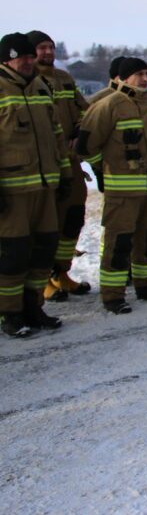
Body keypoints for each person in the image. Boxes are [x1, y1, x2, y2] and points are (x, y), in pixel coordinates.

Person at [77, 57, 147, 313]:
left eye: (146, 73)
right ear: (125, 77)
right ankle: (113, 295)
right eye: (139, 74)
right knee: (119, 243)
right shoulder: (109, 105)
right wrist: (105, 169)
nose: (143, 78)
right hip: (123, 190)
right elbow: (85, 147)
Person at [0, 33, 69, 336]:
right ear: (6, 60)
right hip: (13, 191)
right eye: (21, 57)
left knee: (44, 250)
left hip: (45, 188)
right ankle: (10, 315)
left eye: (30, 56)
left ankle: (33, 307)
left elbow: (56, 135)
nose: (28, 61)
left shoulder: (41, 87)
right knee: (13, 256)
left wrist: (65, 174)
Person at [29, 30, 93, 301]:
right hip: (41, 166)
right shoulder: (26, 82)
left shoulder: (64, 79)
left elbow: (84, 110)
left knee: (73, 219)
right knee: (44, 224)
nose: (48, 53)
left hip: (70, 162)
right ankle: (41, 279)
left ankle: (61, 272)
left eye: (51, 47)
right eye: (42, 48)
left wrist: (79, 133)